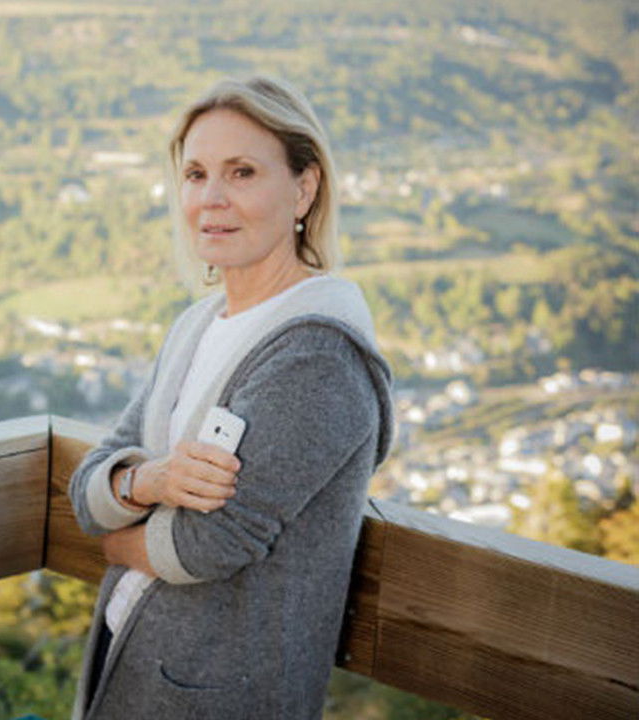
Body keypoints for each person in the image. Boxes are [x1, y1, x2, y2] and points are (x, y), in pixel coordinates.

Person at [68, 76, 395, 720]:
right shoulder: (197, 325)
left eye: (242, 172)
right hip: (133, 663)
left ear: (304, 187)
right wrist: (152, 480)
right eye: (195, 175)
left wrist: (115, 542)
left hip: (220, 695)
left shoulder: (318, 355)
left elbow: (204, 546)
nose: (211, 199)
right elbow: (88, 486)